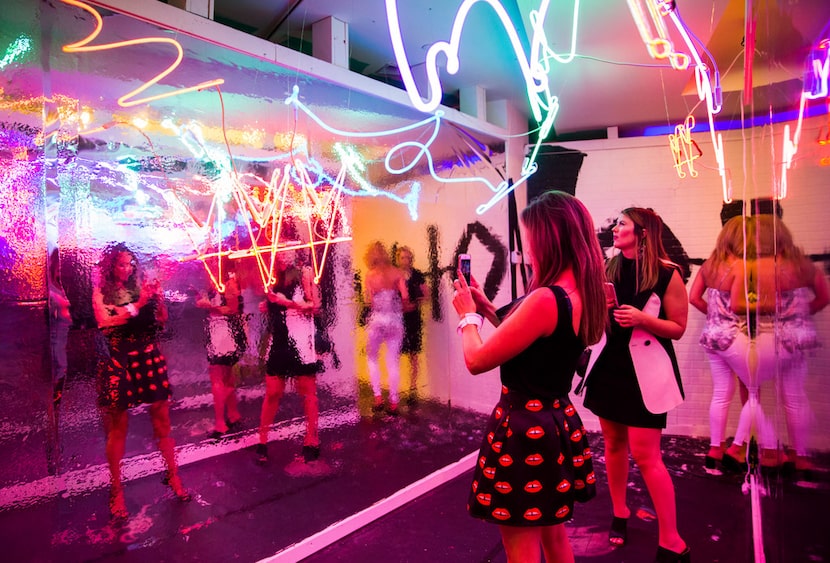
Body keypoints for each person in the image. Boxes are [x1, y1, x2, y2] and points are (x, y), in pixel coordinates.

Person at [452, 191, 606, 563]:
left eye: (531, 238)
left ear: (549, 238)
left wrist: (467, 317)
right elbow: (541, 345)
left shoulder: (545, 299)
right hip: (554, 422)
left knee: (521, 550)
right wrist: (489, 310)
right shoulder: (581, 292)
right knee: (554, 539)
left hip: (524, 431)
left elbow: (476, 360)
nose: (529, 249)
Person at [582, 207, 690, 563]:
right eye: (616, 223)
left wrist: (644, 319)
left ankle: (672, 539)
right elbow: (596, 318)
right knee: (612, 444)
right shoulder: (607, 268)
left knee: (647, 455)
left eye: (622, 224)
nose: (615, 228)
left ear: (642, 233)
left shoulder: (667, 273)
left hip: (645, 372)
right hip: (609, 366)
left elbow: (678, 327)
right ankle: (619, 512)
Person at [92, 243, 190, 520]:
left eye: (130, 263)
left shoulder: (142, 287)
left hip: (149, 358)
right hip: (119, 361)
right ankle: (116, 491)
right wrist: (139, 304)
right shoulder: (101, 292)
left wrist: (157, 299)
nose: (127, 268)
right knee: (117, 428)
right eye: (121, 264)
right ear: (110, 266)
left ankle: (173, 476)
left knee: (162, 421)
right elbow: (105, 321)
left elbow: (162, 321)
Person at [727, 216, 829, 476]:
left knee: (751, 391)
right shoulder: (802, 265)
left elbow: (740, 304)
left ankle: (766, 448)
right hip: (801, 337)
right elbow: (824, 297)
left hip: (770, 336)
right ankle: (800, 456)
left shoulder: (763, 266)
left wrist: (765, 310)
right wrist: (802, 315)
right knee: (795, 398)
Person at [688, 216, 749, 473]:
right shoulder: (743, 267)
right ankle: (738, 448)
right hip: (737, 335)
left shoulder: (710, 265)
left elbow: (694, 298)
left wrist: (715, 316)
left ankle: (715, 448)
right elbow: (741, 306)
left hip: (712, 336)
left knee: (722, 394)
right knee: (753, 393)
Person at [256, 250, 323, 464]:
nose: (282, 254)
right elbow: (275, 303)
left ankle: (312, 439)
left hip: (301, 341)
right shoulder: (272, 276)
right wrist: (269, 306)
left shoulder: (305, 273)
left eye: (287, 249)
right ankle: (262, 440)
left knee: (307, 392)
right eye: (279, 250)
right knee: (273, 392)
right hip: (280, 340)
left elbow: (316, 307)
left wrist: (289, 304)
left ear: (295, 252)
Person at [195, 261, 247, 439]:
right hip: (217, 331)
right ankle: (233, 414)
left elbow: (232, 309)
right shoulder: (215, 282)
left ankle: (220, 422)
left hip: (224, 333)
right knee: (226, 375)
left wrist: (209, 306)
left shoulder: (229, 283)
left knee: (217, 376)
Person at [363, 241, 409, 414]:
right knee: (392, 361)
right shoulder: (396, 272)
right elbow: (404, 296)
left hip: (377, 319)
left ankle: (377, 397)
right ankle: (394, 402)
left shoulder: (370, 275)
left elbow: (369, 300)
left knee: (372, 357)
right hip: (395, 319)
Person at [396, 246, 428, 404]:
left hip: (413, 318)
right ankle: (396, 388)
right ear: (398, 259)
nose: (405, 260)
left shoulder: (417, 275)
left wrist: (414, 303)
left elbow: (426, 294)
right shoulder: (394, 276)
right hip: (398, 319)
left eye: (408, 257)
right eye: (402, 257)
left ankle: (412, 389)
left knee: (413, 355)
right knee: (395, 353)